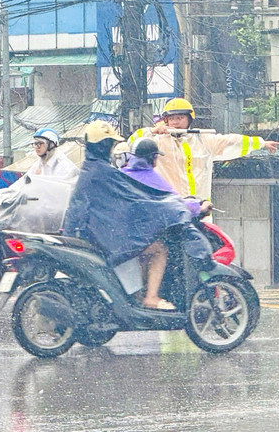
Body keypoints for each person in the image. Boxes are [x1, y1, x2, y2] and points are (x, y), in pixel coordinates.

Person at [62, 120, 192, 310]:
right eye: (110, 144)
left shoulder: (93, 170)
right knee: (158, 249)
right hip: (103, 238)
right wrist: (185, 208)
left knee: (141, 247)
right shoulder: (104, 172)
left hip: (90, 234)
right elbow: (145, 199)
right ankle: (151, 297)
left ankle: (136, 296)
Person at [129, 98, 279, 202]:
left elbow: (231, 141)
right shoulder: (156, 142)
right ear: (165, 120)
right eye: (172, 118)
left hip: (200, 211)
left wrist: (261, 143)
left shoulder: (203, 140)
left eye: (180, 118)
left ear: (189, 119)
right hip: (170, 209)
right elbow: (132, 143)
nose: (176, 122)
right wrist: (151, 131)